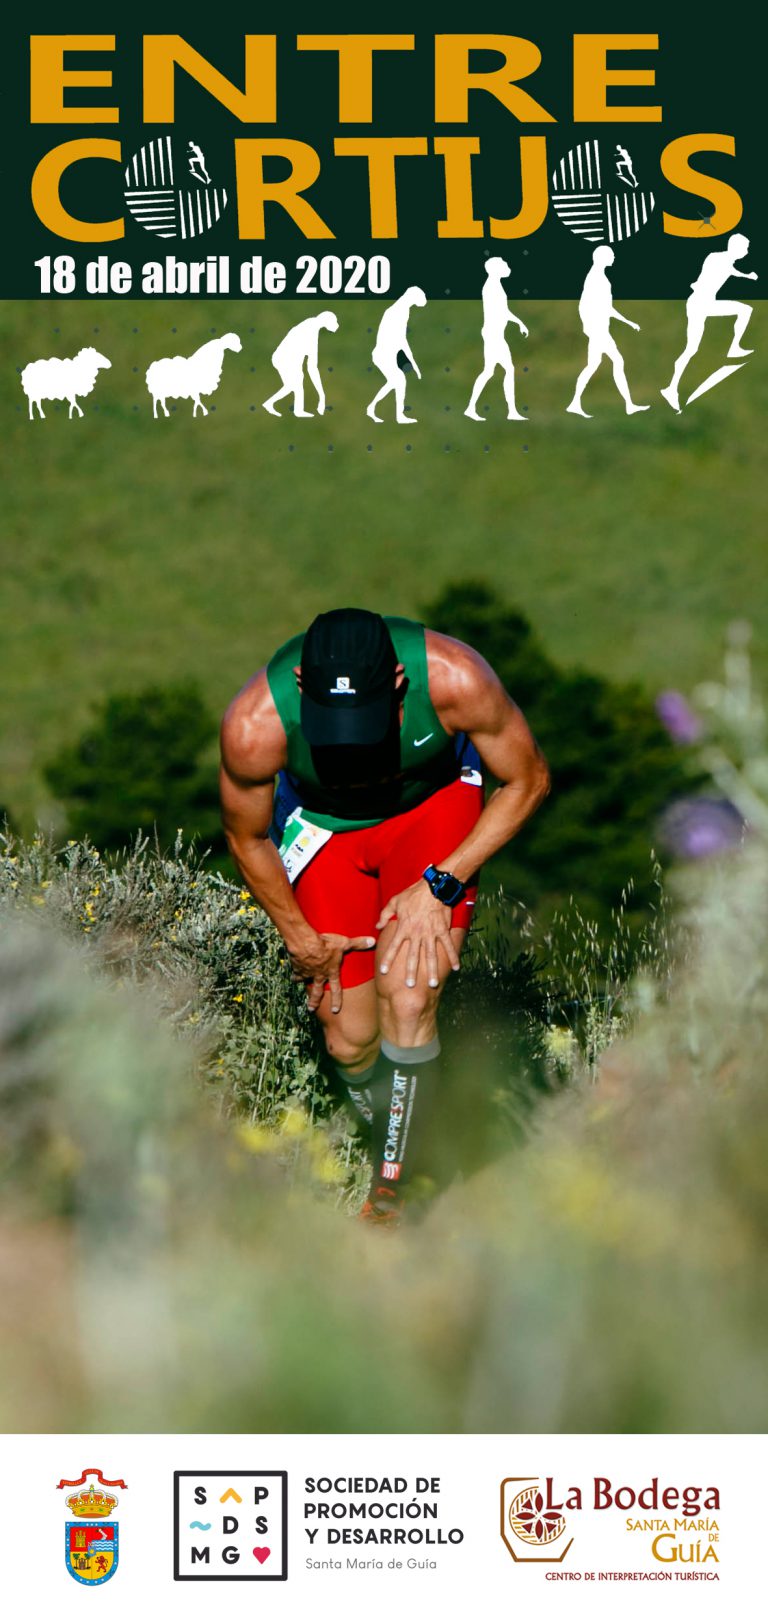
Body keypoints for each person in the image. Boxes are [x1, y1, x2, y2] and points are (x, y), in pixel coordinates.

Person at [220, 609, 549, 1223]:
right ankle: (415, 1126)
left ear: (399, 681)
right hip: (325, 828)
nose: (354, 743)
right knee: (347, 1034)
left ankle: (398, 1190)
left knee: (408, 995)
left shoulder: (455, 678)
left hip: (432, 807)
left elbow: (527, 780)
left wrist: (443, 883)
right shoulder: (253, 726)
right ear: (299, 690)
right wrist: (299, 939)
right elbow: (248, 839)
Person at [661, 234, 758, 413]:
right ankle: (671, 388)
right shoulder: (717, 258)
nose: (747, 251)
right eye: (746, 248)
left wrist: (747, 276)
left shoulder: (724, 260)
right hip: (700, 303)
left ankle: (671, 388)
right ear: (736, 248)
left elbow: (731, 270)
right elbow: (719, 271)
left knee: (692, 349)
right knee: (692, 349)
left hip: (701, 303)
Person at [567, 245, 649, 418]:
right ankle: (627, 405)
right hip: (598, 331)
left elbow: (607, 308)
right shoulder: (596, 279)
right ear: (602, 257)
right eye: (611, 255)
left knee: (600, 365)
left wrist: (628, 322)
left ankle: (627, 404)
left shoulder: (598, 277)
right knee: (613, 362)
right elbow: (585, 305)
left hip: (600, 330)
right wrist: (589, 327)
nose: (613, 258)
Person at [465, 257, 529, 423]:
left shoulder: (495, 286)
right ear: (495, 269)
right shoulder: (492, 287)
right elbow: (501, 312)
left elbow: (504, 311)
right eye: (504, 265)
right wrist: (519, 322)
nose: (507, 267)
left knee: (493, 371)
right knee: (503, 370)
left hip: (494, 334)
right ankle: (510, 411)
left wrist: (519, 323)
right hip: (494, 335)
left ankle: (473, 408)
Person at [366, 288, 427, 424]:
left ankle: (371, 408)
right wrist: (413, 363)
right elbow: (401, 341)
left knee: (394, 382)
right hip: (383, 354)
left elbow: (400, 340)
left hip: (386, 354)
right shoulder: (397, 311)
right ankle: (398, 416)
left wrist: (413, 363)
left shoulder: (402, 309)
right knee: (399, 381)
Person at [263, 312, 339, 418]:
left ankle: (272, 404)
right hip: (285, 359)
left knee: (294, 383)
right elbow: (312, 367)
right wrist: (322, 396)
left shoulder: (312, 326)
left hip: (289, 360)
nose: (336, 325)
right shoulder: (310, 330)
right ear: (326, 321)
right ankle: (291, 409)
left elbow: (312, 366)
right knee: (294, 384)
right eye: (334, 321)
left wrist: (322, 396)